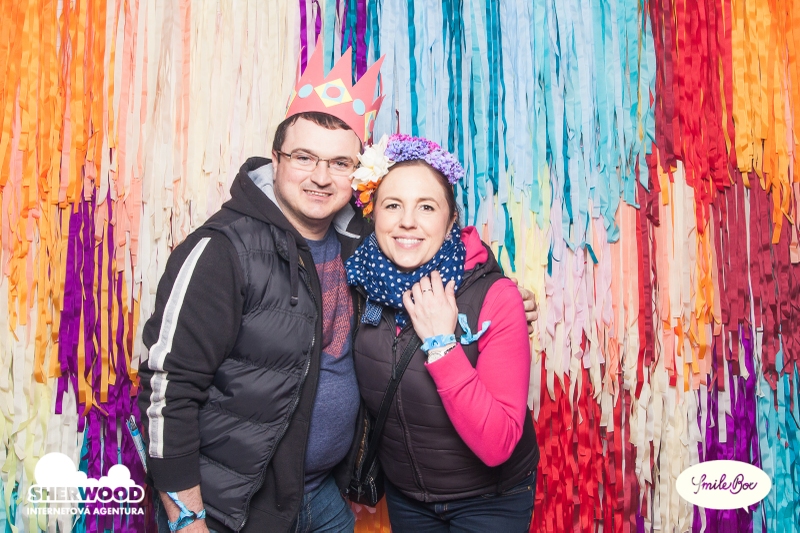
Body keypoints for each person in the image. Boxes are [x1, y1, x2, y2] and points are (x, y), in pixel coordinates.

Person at [137, 42, 538, 533]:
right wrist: (187, 518)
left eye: (340, 163)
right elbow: (168, 388)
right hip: (233, 507)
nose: (321, 178)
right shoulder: (222, 251)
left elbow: (434, 238)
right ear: (276, 159)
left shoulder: (363, 246)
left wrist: (499, 295)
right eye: (304, 157)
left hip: (324, 499)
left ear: (357, 175)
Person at [345, 134, 540, 533]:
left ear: (451, 219)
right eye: (393, 205)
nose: (407, 221)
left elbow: (499, 444)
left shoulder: (495, 296)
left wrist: (441, 345)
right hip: (407, 498)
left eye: (427, 207)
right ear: (373, 214)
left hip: (489, 501)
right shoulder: (358, 282)